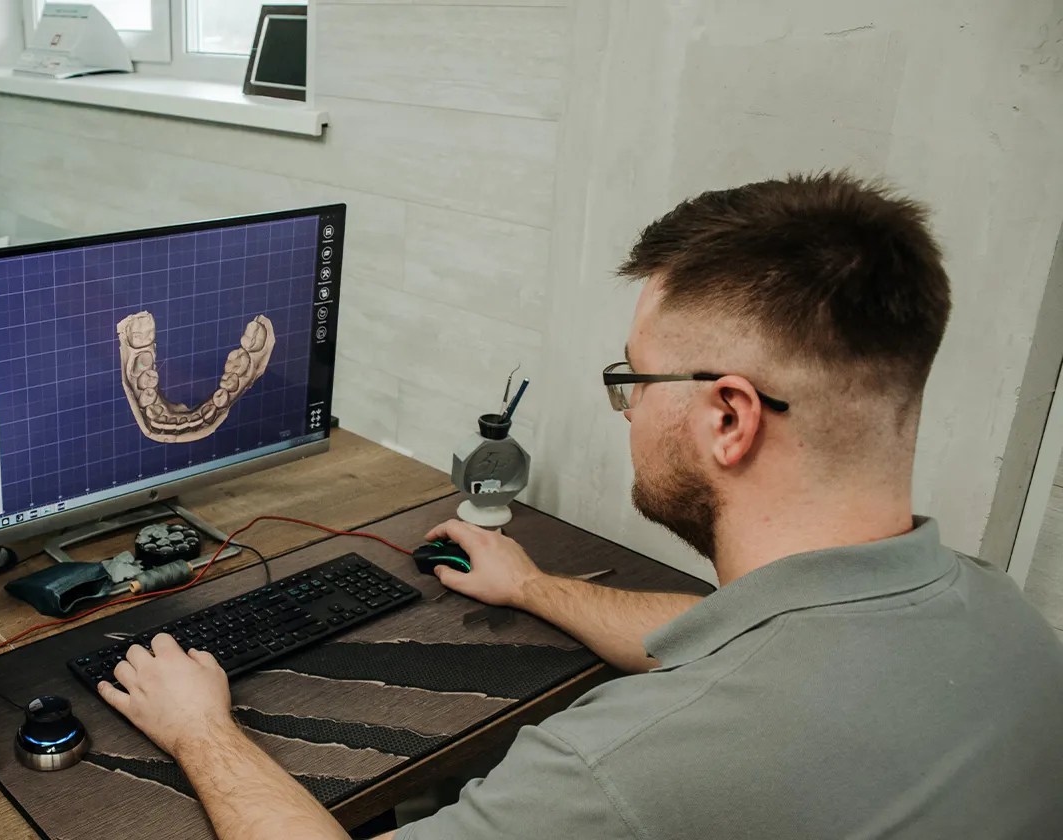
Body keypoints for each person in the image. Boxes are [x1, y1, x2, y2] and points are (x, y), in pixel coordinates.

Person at [97, 172, 1063, 839]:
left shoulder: (622, 772)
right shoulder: (1005, 623)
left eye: (633, 379)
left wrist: (203, 731)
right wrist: (536, 589)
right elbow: (744, 635)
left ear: (730, 416)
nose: (628, 409)